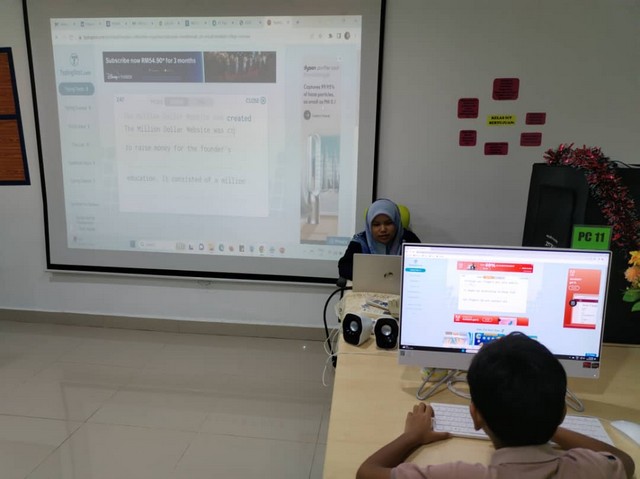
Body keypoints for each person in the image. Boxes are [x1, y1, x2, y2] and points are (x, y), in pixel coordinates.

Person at [356, 332, 635, 479]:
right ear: (562, 413)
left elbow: (367, 473)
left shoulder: (459, 475)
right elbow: (624, 461)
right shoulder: (591, 470)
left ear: (475, 415)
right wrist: (543, 422)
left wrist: (412, 436)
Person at [338, 198, 420, 280]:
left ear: (396, 222)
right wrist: (371, 276)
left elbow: (420, 266)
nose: (383, 229)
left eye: (388, 223)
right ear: (369, 226)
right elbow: (344, 267)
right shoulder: (360, 241)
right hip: (369, 285)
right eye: (376, 225)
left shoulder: (409, 239)